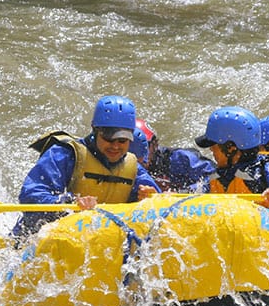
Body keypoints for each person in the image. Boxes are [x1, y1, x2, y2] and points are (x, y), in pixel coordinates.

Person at [11, 95, 161, 239]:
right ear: (95, 130)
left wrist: (151, 198)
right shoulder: (65, 154)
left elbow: (159, 208)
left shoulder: (133, 168)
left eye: (122, 140)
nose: (115, 146)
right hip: (41, 241)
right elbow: (31, 196)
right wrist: (69, 204)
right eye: (109, 138)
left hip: (98, 244)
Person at [196, 106, 269, 211]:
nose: (211, 149)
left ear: (231, 148)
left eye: (214, 145)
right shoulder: (215, 178)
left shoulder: (268, 169)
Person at [137, 118, 216, 193]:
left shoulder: (178, 159)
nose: (139, 155)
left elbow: (215, 176)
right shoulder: (128, 166)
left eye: (144, 147)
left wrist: (181, 193)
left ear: (155, 145)